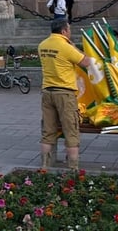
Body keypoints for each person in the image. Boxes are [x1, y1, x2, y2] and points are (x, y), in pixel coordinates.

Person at [38, 18, 92, 170]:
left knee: (48, 132)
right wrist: (75, 47)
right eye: (69, 30)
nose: (70, 32)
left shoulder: (42, 45)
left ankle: (44, 167)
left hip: (47, 92)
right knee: (71, 132)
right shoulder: (66, 47)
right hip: (65, 93)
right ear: (63, 31)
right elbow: (86, 62)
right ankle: (73, 169)